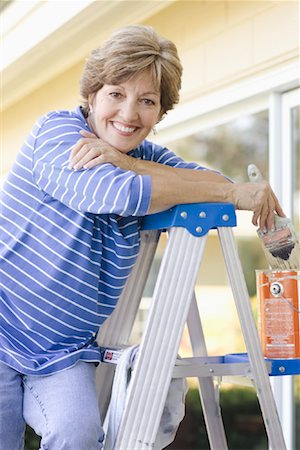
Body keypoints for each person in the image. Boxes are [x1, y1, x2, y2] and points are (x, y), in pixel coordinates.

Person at [0, 25, 284, 450]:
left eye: (147, 101)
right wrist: (135, 171)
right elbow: (119, 193)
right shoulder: (57, 134)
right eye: (116, 93)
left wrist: (125, 160)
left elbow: (214, 182)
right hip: (4, 328)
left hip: (63, 354)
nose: (129, 114)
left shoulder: (143, 156)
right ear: (92, 94)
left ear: (160, 113)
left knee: (79, 435)